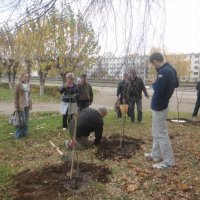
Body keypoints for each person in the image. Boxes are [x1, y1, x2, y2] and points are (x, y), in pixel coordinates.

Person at [145, 52, 179, 169]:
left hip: (159, 106)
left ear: (155, 61)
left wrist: (154, 82)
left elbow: (158, 90)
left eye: (152, 64)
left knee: (161, 134)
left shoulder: (163, 72)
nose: (153, 66)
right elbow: (177, 84)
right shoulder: (171, 69)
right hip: (163, 105)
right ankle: (156, 154)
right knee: (156, 132)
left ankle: (169, 162)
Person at [14, 73, 32, 139]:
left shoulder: (27, 85)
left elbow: (28, 95)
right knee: (22, 121)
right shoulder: (18, 85)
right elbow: (16, 96)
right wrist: (16, 106)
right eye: (25, 77)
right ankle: (17, 135)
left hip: (27, 105)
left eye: (27, 77)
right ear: (21, 77)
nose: (26, 78)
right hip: (21, 105)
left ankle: (25, 133)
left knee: (26, 121)